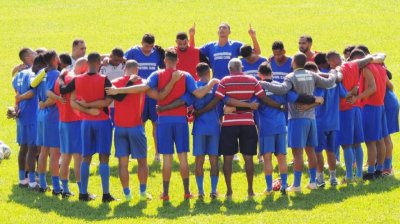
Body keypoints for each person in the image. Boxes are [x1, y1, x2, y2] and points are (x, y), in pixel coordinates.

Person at [106, 48, 218, 201]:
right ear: (177, 60)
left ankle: (165, 194)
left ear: (165, 61)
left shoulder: (157, 75)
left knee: (167, 159)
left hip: (163, 121)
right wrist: (212, 82)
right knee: (183, 158)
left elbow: (143, 88)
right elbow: (198, 94)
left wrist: (118, 90)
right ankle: (186, 192)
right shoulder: (185, 76)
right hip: (180, 121)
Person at [194, 58, 284, 198]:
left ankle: (229, 192)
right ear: (242, 68)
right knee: (248, 159)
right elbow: (263, 99)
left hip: (229, 124)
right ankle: (250, 191)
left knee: (228, 158)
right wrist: (279, 106)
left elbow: (216, 101)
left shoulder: (224, 81)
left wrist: (200, 111)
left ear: (229, 69)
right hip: (248, 123)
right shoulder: (252, 81)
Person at [260, 53, 339, 192]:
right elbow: (328, 83)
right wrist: (333, 73)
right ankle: (313, 181)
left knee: (297, 154)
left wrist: (261, 83)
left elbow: (282, 89)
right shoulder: (311, 75)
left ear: (294, 63)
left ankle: (296, 185)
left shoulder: (291, 76)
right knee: (311, 151)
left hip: (297, 118)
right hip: (311, 118)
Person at [157, 63, 220, 199]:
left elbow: (181, 102)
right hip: (214, 127)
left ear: (196, 74)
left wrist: (164, 108)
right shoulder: (216, 85)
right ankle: (214, 191)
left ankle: (200, 191)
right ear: (209, 72)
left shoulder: (193, 87)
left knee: (199, 160)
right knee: (214, 160)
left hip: (199, 128)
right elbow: (222, 101)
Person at [59, 52, 115, 202]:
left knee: (86, 157)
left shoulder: (77, 80)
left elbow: (63, 90)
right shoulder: (104, 79)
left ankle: (83, 193)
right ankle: (106, 194)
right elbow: (109, 100)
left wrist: (60, 77)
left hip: (85, 123)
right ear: (98, 63)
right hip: (102, 122)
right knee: (104, 157)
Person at [326, 50, 385, 183]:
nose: (330, 66)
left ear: (333, 60)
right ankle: (358, 174)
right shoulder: (354, 65)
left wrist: (346, 90)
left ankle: (349, 176)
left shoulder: (337, 70)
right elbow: (370, 58)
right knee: (357, 144)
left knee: (346, 145)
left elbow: (340, 86)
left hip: (344, 109)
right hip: (357, 108)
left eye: (329, 63)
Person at [48, 58, 90, 198]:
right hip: (76, 122)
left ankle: (65, 189)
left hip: (63, 121)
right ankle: (82, 191)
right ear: (84, 67)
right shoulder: (77, 79)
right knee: (79, 158)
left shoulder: (62, 77)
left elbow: (52, 94)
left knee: (65, 158)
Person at [302, 62, 347, 187]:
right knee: (331, 151)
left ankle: (320, 179)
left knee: (318, 152)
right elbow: (345, 94)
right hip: (334, 122)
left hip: (320, 123)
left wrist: (306, 107)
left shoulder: (319, 84)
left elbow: (319, 101)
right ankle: (333, 178)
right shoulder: (335, 82)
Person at [347, 50, 388, 180]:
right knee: (380, 139)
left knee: (370, 141)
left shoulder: (366, 68)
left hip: (371, 106)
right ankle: (379, 169)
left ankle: (370, 172)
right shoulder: (380, 66)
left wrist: (357, 97)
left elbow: (372, 88)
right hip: (380, 105)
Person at [125, 33, 165, 162]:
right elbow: (123, 62)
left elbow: (164, 69)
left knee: (156, 125)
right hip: (139, 95)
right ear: (141, 43)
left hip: (153, 95)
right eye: (146, 46)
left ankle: (158, 154)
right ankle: (139, 153)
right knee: (139, 125)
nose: (148, 49)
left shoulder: (157, 53)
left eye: (151, 47)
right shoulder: (132, 52)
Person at [35, 51, 62, 194]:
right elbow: (51, 96)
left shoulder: (41, 73)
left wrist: (42, 105)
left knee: (43, 151)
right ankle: (57, 188)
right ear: (54, 60)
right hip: (51, 116)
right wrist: (46, 104)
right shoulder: (55, 74)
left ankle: (43, 184)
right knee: (54, 152)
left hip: (40, 116)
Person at [12, 58, 39, 188]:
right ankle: (33, 182)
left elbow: (16, 94)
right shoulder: (32, 74)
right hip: (32, 116)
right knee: (32, 149)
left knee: (24, 148)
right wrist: (22, 97)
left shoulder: (18, 75)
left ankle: (22, 179)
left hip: (22, 116)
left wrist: (17, 106)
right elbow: (33, 92)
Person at [100, 48, 125, 124]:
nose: (118, 62)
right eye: (115, 60)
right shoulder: (103, 66)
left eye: (120, 60)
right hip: (107, 102)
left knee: (120, 126)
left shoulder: (125, 66)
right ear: (110, 56)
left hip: (120, 103)